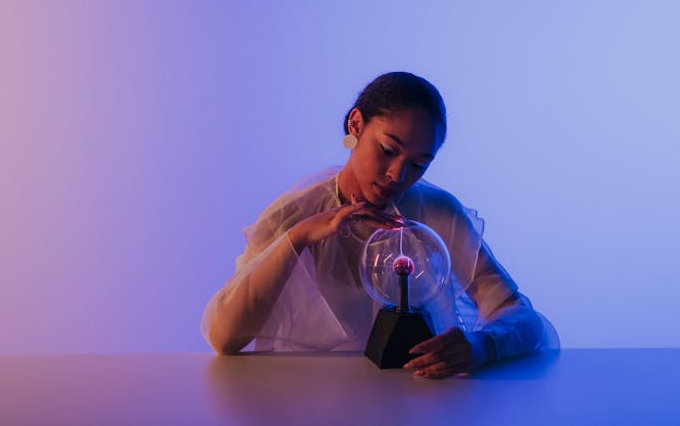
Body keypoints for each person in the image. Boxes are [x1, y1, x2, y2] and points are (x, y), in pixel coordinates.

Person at [202, 72, 546, 379]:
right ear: (355, 124)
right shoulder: (291, 216)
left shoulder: (437, 213)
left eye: (418, 165)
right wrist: (300, 236)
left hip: (419, 403)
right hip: (308, 401)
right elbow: (223, 338)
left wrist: (480, 346)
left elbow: (523, 318)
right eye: (387, 149)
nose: (398, 175)